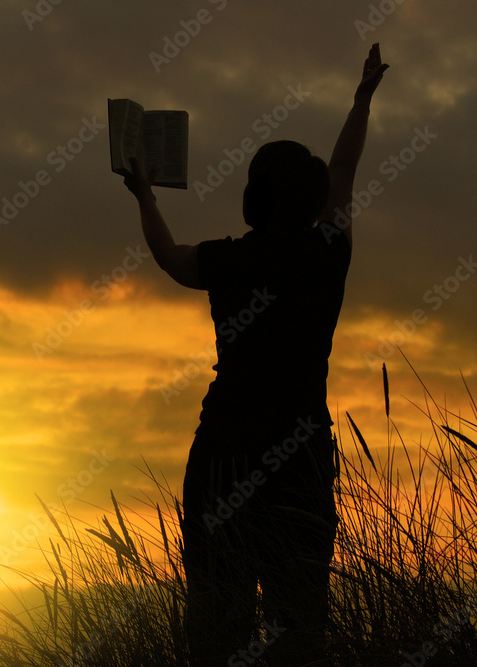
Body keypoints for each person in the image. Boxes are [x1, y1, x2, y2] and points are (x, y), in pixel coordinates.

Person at [123, 44, 389, 666]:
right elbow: (346, 174)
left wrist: (144, 196)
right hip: (301, 454)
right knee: (300, 625)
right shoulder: (329, 255)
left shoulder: (228, 261)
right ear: (313, 199)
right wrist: (361, 99)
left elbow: (167, 256)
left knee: (218, 625)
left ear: (254, 198)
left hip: (225, 455)